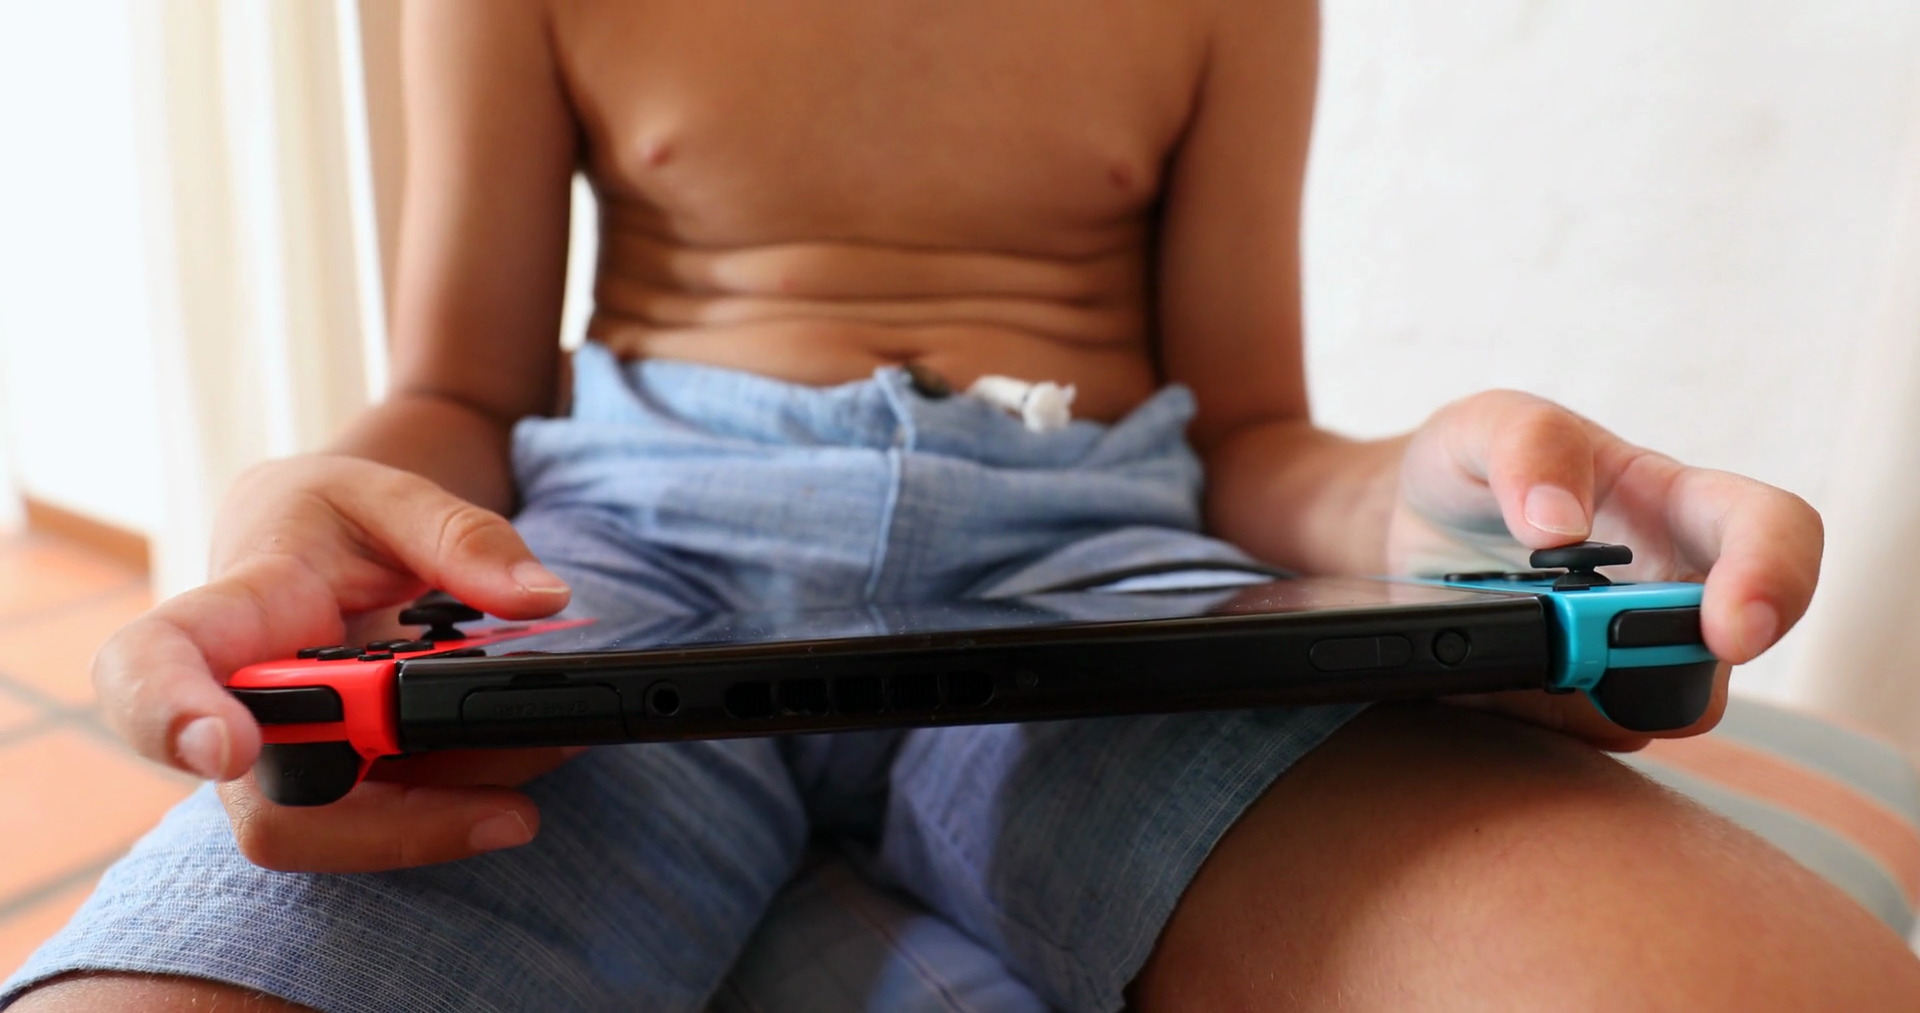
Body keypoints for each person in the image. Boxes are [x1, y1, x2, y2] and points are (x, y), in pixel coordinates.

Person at [9, 0, 1918, 1009]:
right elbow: (459, 391)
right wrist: (291, 509)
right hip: (610, 579)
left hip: (1108, 578)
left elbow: (1255, 433)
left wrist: (1431, 511)